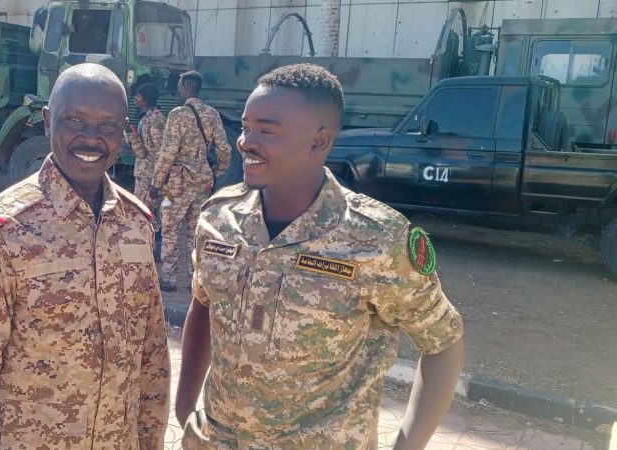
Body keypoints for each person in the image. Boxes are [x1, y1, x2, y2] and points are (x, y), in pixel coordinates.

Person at [173, 63, 465, 449]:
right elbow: (203, 304)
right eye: (245, 127)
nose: (245, 142)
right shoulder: (218, 217)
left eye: (266, 130)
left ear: (319, 141)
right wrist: (184, 407)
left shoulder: (376, 237)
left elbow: (442, 342)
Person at [0, 63, 170, 449]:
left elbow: (151, 354)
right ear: (48, 122)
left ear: (123, 132)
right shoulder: (2, 228)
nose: (91, 139)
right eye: (75, 121)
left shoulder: (136, 222)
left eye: (108, 126)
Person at [150, 70, 231, 291]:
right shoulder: (212, 114)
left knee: (170, 229)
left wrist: (156, 182)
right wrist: (216, 171)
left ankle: (169, 279)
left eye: (179, 86)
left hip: (177, 184)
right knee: (196, 232)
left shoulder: (177, 114)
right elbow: (224, 149)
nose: (178, 90)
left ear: (185, 86)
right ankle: (194, 279)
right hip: (202, 183)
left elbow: (168, 152)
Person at [125, 82, 165, 207]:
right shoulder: (146, 118)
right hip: (143, 173)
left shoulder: (156, 118)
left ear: (146, 99)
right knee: (141, 208)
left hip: (149, 175)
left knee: (147, 210)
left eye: (138, 95)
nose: (135, 98)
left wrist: (157, 181)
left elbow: (160, 150)